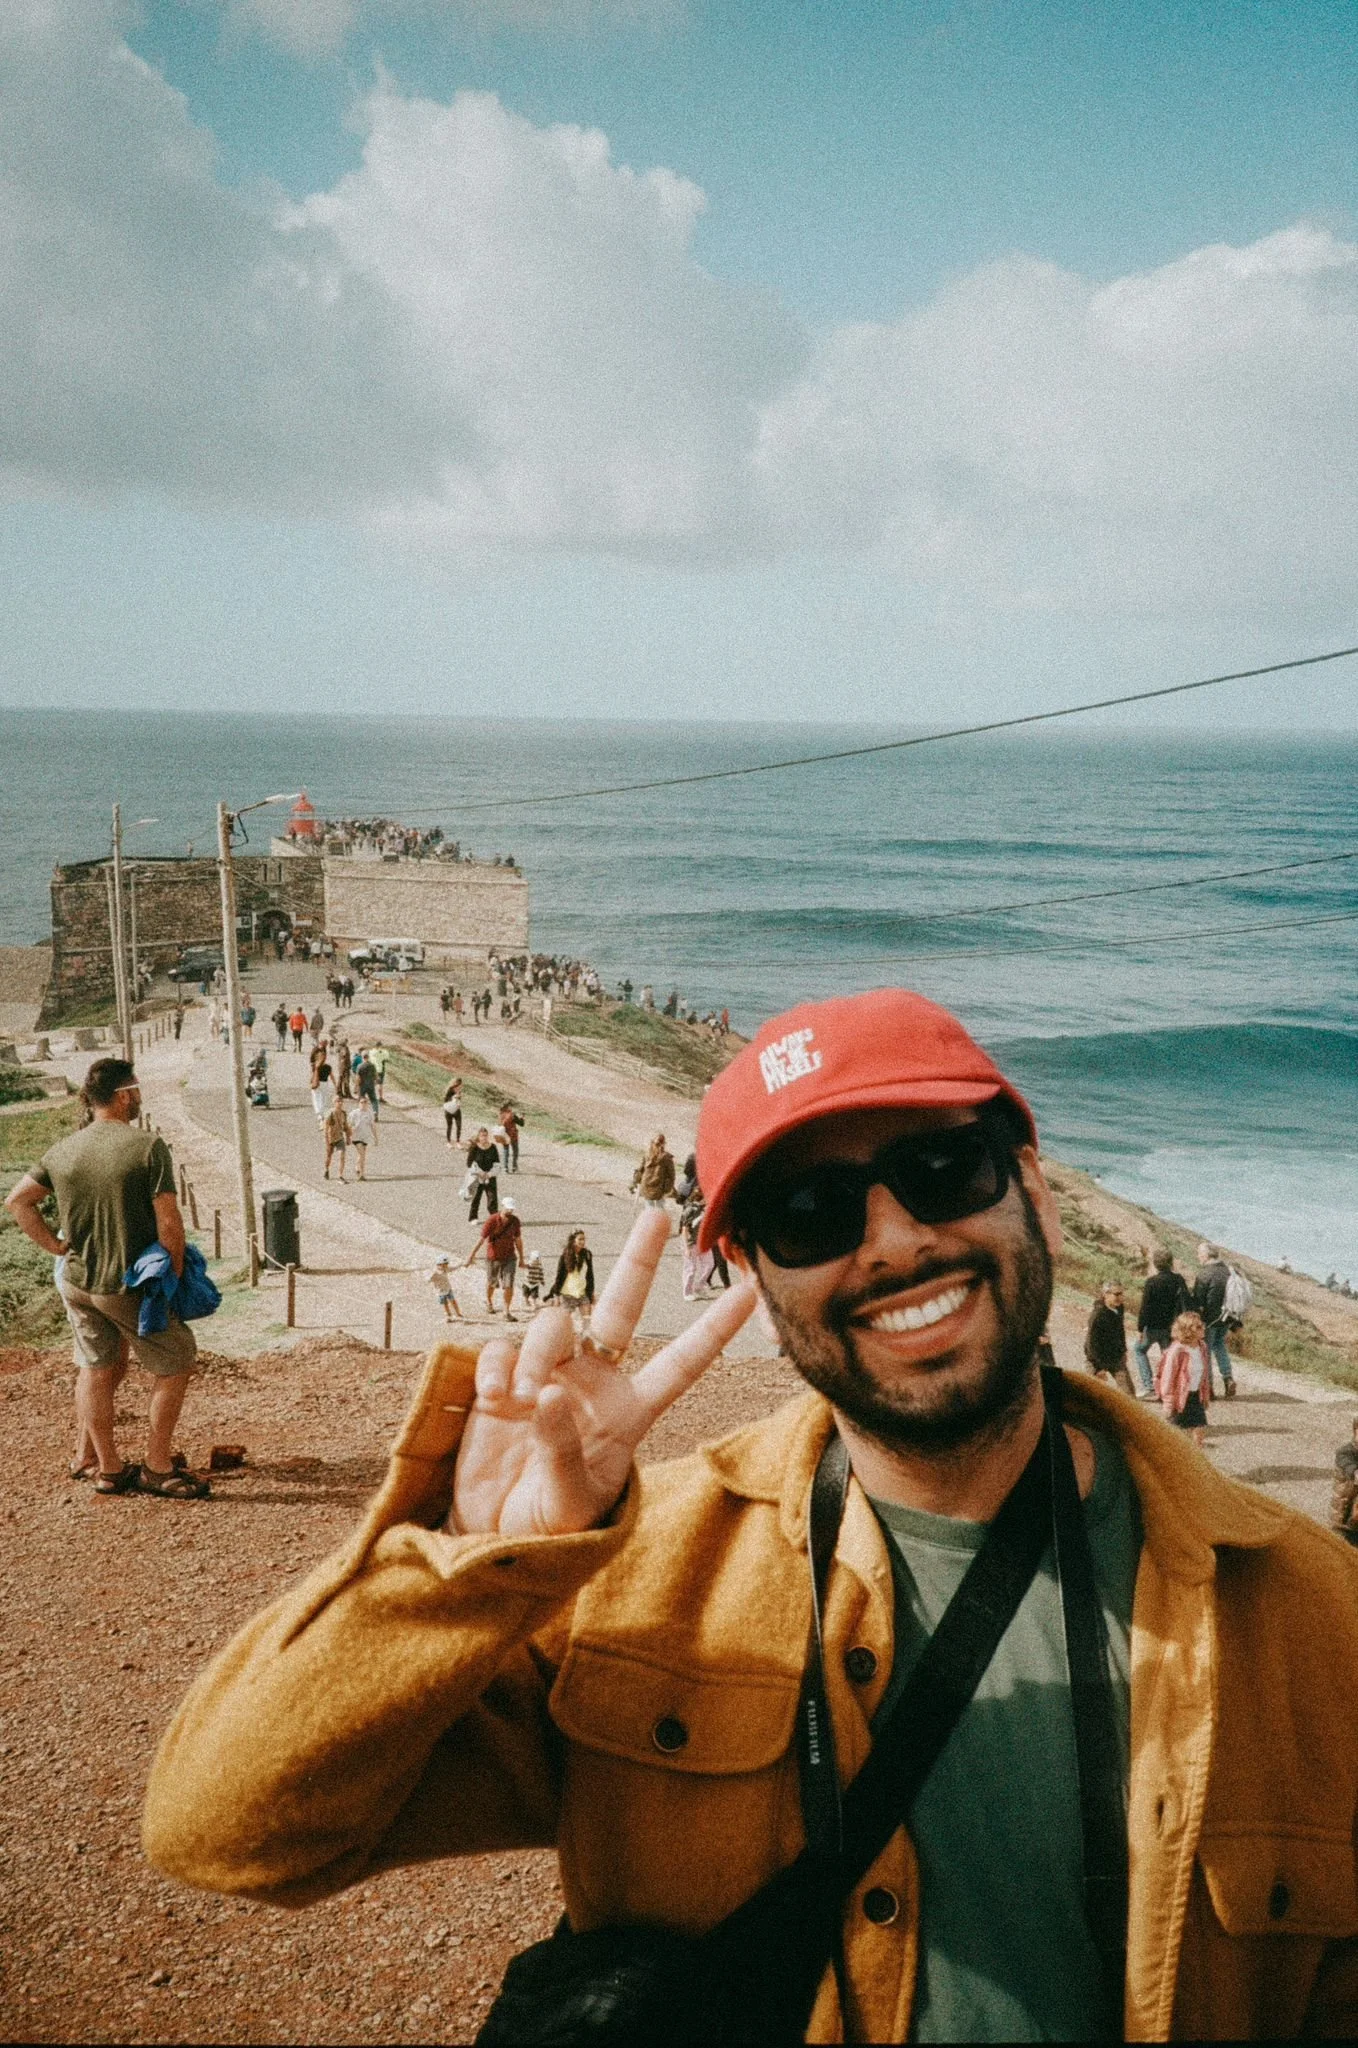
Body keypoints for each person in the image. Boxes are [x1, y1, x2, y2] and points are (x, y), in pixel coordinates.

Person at [144, 987, 1358, 2044]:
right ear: (756, 1281)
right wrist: (472, 1561)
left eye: (943, 1171)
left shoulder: (1311, 1608)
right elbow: (225, 1827)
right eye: (812, 1211)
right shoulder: (628, 1580)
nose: (895, 1239)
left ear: (1033, 1191)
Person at [5, 1057, 209, 1499]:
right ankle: (157, 1467)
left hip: (77, 1281)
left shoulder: (63, 1149)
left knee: (96, 1367)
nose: (138, 1098)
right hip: (124, 1284)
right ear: (123, 1095)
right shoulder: (147, 1146)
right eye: (136, 1091)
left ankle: (109, 1468)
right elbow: (169, 1224)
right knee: (177, 1360)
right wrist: (172, 1279)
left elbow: (18, 1201)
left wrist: (55, 1246)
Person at [1132, 1248, 1188, 1396]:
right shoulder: (1178, 1280)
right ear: (1171, 1262)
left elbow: (1145, 1308)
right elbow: (1186, 1302)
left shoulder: (1151, 1282)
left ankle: (1149, 1386)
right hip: (1171, 1327)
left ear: (1156, 1264)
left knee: (1139, 1350)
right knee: (1168, 1358)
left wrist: (1140, 1328)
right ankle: (1168, 1388)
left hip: (1152, 1327)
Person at [1156, 1309, 1211, 1447]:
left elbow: (1204, 1375)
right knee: (1176, 1439)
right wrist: (1168, 1403)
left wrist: (1205, 1395)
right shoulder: (1177, 1350)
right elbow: (1167, 1379)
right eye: (1198, 1327)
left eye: (1202, 1325)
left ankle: (1195, 1459)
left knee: (1199, 1432)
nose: (1203, 1328)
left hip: (1195, 1396)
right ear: (1187, 1330)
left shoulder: (1202, 1347)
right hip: (1179, 1398)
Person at [1191, 1243, 1237, 1398]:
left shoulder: (1205, 1273)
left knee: (1206, 1351)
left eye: (1199, 1253)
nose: (1198, 1256)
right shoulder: (1227, 1271)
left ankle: (1208, 1388)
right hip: (1226, 1317)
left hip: (1209, 1320)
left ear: (1206, 1255)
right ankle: (1228, 1378)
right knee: (1219, 1345)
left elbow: (1198, 1300)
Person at [465, 1198, 522, 1319]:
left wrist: (521, 1258)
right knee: (492, 1283)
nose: (510, 1211)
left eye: (511, 1209)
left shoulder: (515, 1221)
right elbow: (481, 1239)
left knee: (509, 1284)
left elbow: (518, 1240)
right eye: (508, 1208)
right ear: (503, 1206)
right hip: (493, 1257)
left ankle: (506, 1311)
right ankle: (489, 1301)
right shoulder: (492, 1220)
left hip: (509, 1256)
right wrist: (471, 1255)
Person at [1083, 1279, 1134, 1395]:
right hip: (1097, 1359)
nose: (1120, 1298)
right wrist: (1100, 1368)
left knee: (1129, 1393)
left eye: (1121, 1294)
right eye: (1117, 1294)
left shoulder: (1119, 1308)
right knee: (1091, 1395)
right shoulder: (1098, 1315)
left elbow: (1120, 1331)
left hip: (1115, 1357)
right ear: (1105, 1294)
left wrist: (1123, 1350)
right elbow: (1092, 1344)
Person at [545, 1227, 595, 1322]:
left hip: (582, 1293)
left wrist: (591, 1292)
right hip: (566, 1295)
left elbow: (590, 1275)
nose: (583, 1242)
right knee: (564, 1322)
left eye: (584, 1239)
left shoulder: (587, 1255)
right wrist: (556, 1295)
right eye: (580, 1239)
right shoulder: (565, 1256)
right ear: (573, 1240)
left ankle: (585, 1332)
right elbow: (559, 1276)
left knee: (587, 1320)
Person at [1330, 1418, 1358, 1548]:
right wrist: (1354, 1472)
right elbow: (1347, 1465)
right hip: (1344, 1510)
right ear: (1355, 1431)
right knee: (1341, 1542)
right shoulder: (1345, 1452)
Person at [631, 1132, 676, 1209]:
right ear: (664, 1144)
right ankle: (658, 1216)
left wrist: (636, 1181)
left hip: (646, 1184)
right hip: (660, 1187)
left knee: (649, 1206)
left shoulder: (647, 1154)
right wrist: (669, 1188)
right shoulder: (667, 1157)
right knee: (660, 1207)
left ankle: (649, 1216)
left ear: (652, 1143)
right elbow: (672, 1175)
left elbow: (641, 1169)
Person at [463, 1128, 499, 1222]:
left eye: (486, 1135)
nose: (484, 1138)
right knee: (476, 1198)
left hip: (490, 1176)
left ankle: (494, 1219)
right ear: (478, 1137)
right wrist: (480, 1172)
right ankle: (473, 1217)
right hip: (477, 1177)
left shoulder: (493, 1147)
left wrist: (489, 1174)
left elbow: (497, 1163)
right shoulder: (474, 1148)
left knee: (492, 1199)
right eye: (482, 1136)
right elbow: (469, 1163)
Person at [347, 1092, 377, 1180]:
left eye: (365, 1102)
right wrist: (349, 1135)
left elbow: (372, 1126)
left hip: (365, 1137)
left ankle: (357, 1167)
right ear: (359, 1103)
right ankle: (362, 1174)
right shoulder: (354, 1113)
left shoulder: (369, 1113)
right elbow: (349, 1125)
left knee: (361, 1154)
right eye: (362, 1102)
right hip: (356, 1137)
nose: (363, 1104)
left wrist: (375, 1138)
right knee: (362, 1155)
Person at [428, 1256, 462, 1324]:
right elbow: (429, 1279)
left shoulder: (445, 1270)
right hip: (441, 1291)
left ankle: (458, 1314)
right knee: (445, 1304)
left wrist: (461, 1265)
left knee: (453, 1301)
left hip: (448, 1289)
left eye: (446, 1264)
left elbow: (454, 1268)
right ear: (439, 1264)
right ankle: (448, 1316)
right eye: (445, 1265)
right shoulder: (435, 1273)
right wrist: (431, 1279)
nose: (446, 1266)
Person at [322, 1098, 350, 1182]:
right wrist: (326, 1139)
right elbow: (326, 1126)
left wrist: (348, 1137)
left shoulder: (343, 1114)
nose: (340, 1103)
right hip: (331, 1138)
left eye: (341, 1101)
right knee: (329, 1156)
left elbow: (346, 1126)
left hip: (340, 1137)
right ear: (334, 1103)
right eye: (338, 1101)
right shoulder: (330, 1113)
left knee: (342, 1155)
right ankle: (326, 1169)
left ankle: (340, 1175)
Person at [520, 1247, 546, 1311]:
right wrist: (522, 1264)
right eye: (535, 1259)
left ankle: (534, 1304)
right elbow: (523, 1266)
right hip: (526, 1282)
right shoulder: (529, 1265)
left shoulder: (539, 1266)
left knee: (534, 1295)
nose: (536, 1261)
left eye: (537, 1260)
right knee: (526, 1294)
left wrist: (542, 1281)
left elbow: (541, 1274)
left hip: (535, 1283)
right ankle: (526, 1301)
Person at [499, 1103, 521, 1173]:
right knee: (515, 1151)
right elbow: (521, 1123)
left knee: (505, 1151)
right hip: (513, 1135)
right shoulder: (512, 1115)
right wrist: (522, 1117)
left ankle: (505, 1168)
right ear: (508, 1107)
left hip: (504, 1135)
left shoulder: (501, 1114)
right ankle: (514, 1167)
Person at [443, 1079, 462, 1146]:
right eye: (459, 1086)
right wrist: (453, 1097)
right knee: (449, 1126)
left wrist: (459, 1103)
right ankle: (448, 1142)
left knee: (459, 1126)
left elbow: (458, 1100)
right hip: (449, 1111)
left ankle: (458, 1142)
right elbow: (445, 1100)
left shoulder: (459, 1091)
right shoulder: (449, 1090)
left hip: (456, 1110)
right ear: (456, 1085)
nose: (460, 1087)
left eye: (461, 1086)